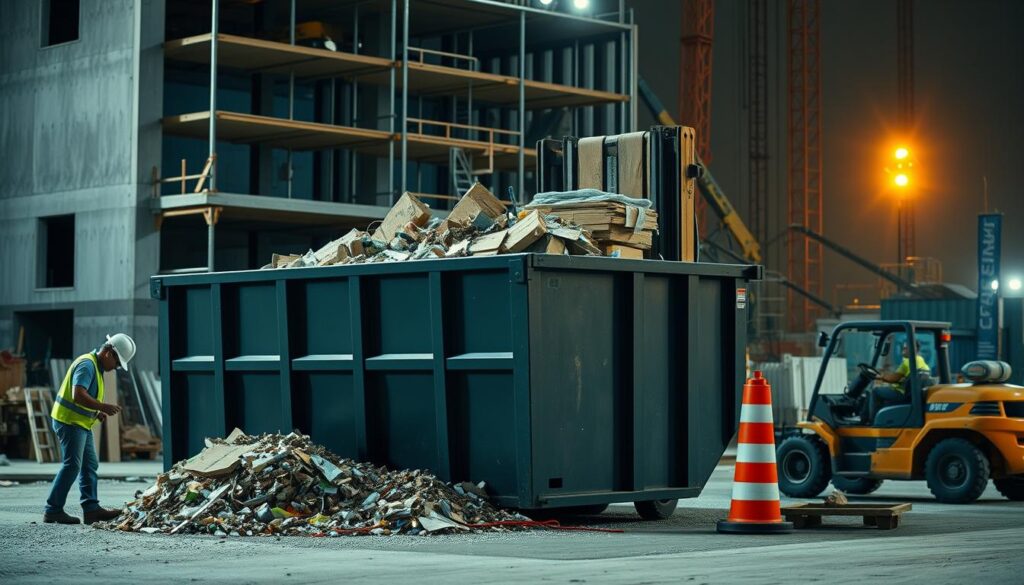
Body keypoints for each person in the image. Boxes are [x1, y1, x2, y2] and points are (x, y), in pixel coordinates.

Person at [43, 333, 136, 524]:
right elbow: (78, 395)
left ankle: (91, 510)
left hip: (80, 423)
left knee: (89, 464)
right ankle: (53, 510)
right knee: (72, 466)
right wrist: (103, 407)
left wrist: (96, 413)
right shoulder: (87, 365)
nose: (116, 368)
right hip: (69, 422)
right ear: (109, 353)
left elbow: (84, 398)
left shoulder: (96, 366)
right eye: (117, 364)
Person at [865, 340, 930, 423]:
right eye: (903, 347)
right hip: (911, 395)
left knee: (875, 391)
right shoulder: (922, 362)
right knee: (883, 389)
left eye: (906, 348)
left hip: (902, 393)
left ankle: (872, 420)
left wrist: (880, 376)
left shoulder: (908, 362)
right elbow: (906, 378)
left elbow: (894, 378)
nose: (903, 350)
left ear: (914, 349)